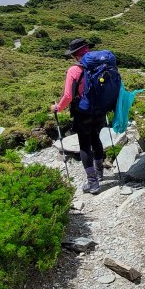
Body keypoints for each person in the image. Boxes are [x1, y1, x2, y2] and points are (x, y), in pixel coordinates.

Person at [52, 37, 108, 194]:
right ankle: (99, 173)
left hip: (82, 112)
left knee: (84, 144)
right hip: (99, 110)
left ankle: (93, 182)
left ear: (75, 55)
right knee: (96, 139)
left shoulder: (74, 70)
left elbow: (68, 96)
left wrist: (57, 107)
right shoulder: (101, 66)